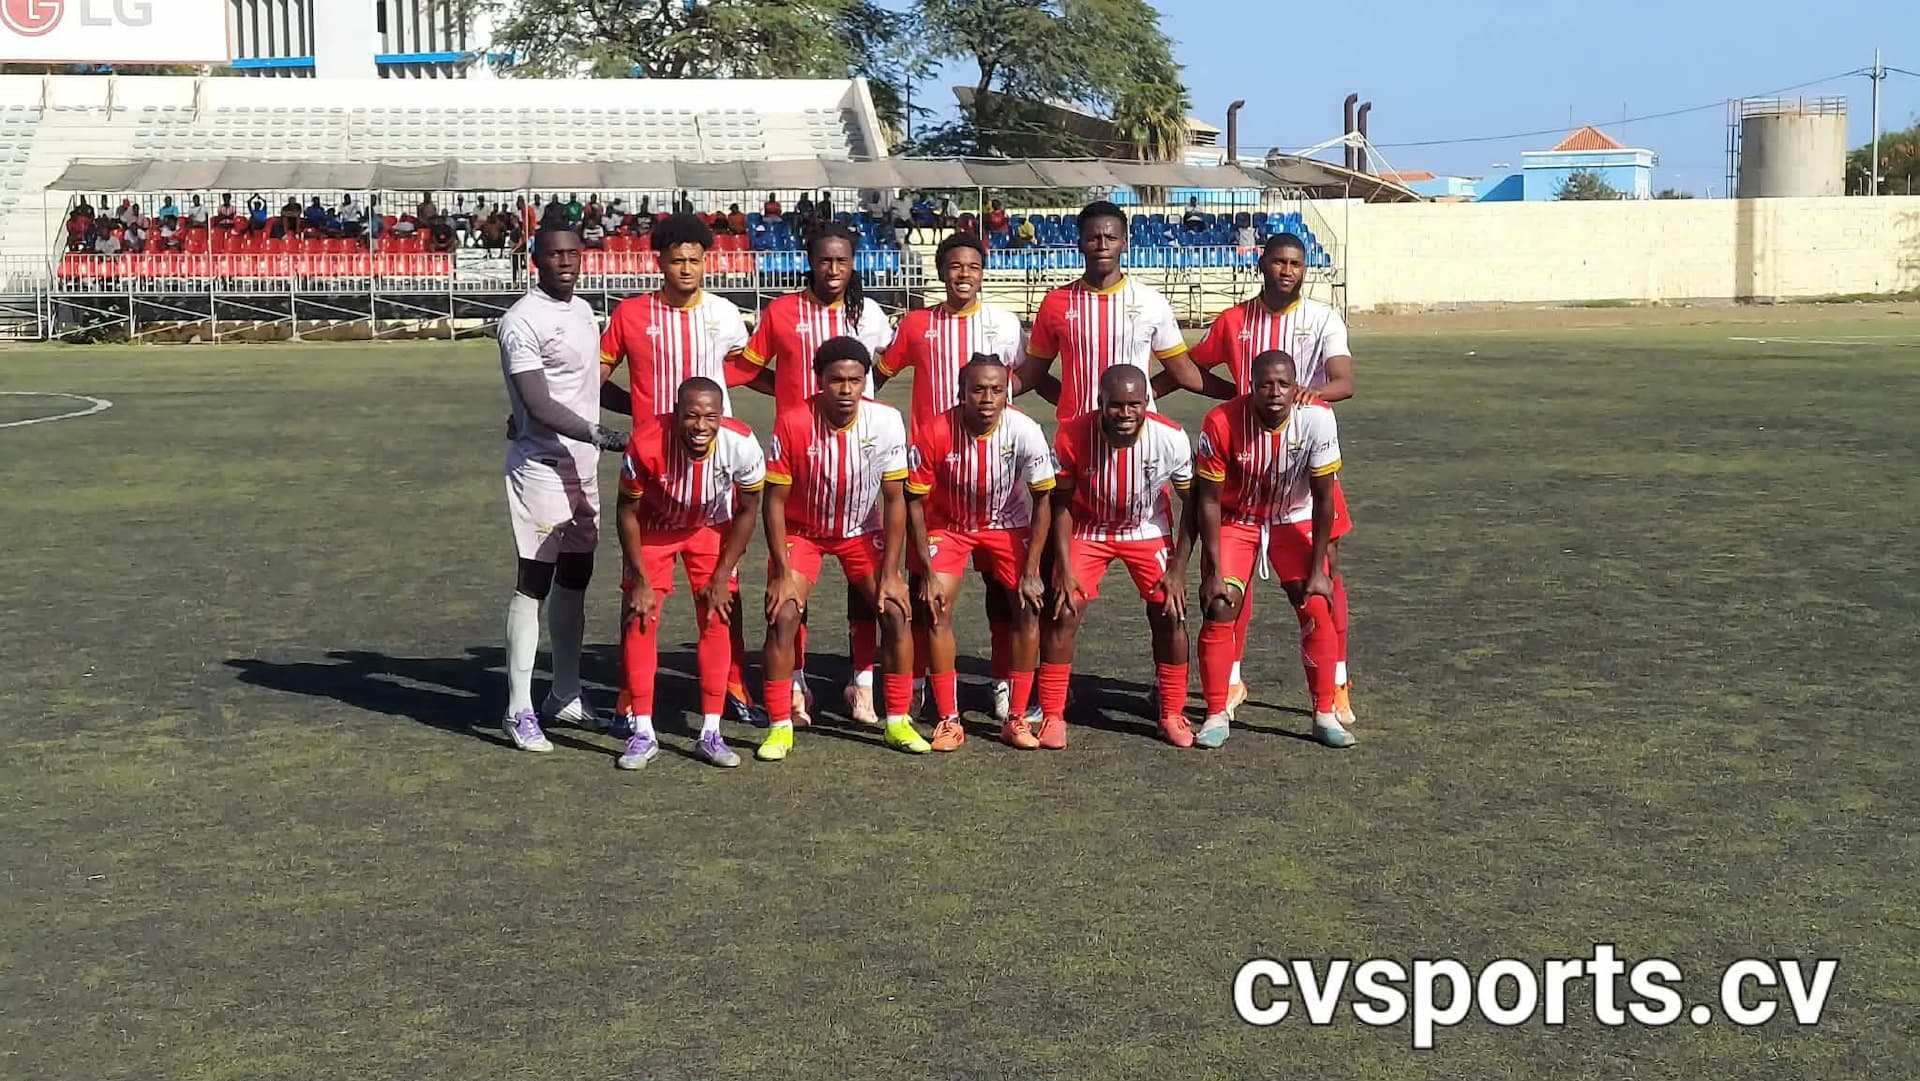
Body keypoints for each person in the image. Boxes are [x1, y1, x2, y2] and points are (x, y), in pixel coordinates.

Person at [728, 222, 895, 725]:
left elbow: (884, 366)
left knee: (862, 583)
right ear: (811, 261)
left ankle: (861, 682)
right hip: (797, 460)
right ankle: (795, 683)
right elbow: (742, 367)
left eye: (842, 261)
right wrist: (786, 395)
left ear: (853, 262)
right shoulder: (781, 310)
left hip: (856, 460)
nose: (834, 269)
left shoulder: (869, 315)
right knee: (793, 582)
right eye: (825, 260)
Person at [1188, 232, 1358, 725]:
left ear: (1305, 269)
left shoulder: (1322, 317)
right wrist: (1234, 397)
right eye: (1279, 261)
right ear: (1261, 264)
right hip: (1245, 461)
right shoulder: (1234, 320)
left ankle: (1338, 682)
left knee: (1325, 568)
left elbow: (1345, 382)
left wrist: (1309, 395)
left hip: (1304, 460)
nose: (1287, 270)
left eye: (1296, 263)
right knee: (1226, 582)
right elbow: (1192, 369)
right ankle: (1232, 679)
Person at [598, 212, 759, 723]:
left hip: (714, 470)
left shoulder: (725, 314)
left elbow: (744, 368)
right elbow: (593, 374)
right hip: (654, 470)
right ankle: (629, 700)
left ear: (705, 261)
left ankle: (734, 687)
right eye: (676, 260)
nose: (686, 268)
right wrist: (637, 409)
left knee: (722, 589)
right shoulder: (630, 315)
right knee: (638, 587)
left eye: (694, 260)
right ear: (659, 262)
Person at [874, 232, 1030, 722]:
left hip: (992, 474)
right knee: (928, 589)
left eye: (973, 266)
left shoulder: (1004, 324)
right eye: (954, 266)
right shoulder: (918, 324)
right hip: (931, 476)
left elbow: (1026, 376)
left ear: (983, 272)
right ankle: (921, 678)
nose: (964, 274)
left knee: (1003, 594)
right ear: (941, 273)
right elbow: (878, 374)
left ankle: (1004, 681)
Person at [757, 336, 928, 761]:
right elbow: (773, 502)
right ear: (819, 382)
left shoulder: (886, 421)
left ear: (866, 381)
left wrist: (891, 572)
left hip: (859, 530)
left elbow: (894, 500)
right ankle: (780, 725)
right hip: (804, 531)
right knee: (783, 614)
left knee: (895, 610)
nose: (847, 389)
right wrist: (780, 569)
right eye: (837, 380)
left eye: (855, 379)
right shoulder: (793, 420)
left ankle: (897, 721)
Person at [495, 224, 629, 753]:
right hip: (542, 466)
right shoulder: (520, 320)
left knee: (577, 575)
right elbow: (537, 402)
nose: (565, 261)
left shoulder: (581, 310)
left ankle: (565, 694)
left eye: (572, 253)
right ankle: (517, 708)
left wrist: (650, 406)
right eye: (554, 254)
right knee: (535, 578)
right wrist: (604, 434)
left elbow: (588, 386)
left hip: (582, 465)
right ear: (536, 260)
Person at [1191, 350, 1350, 748]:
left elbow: (1324, 499)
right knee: (1219, 604)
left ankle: (1324, 713)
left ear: (1295, 386)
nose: (1274, 393)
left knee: (1315, 603)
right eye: (1265, 384)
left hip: (1292, 517)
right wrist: (1211, 570)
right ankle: (1215, 712)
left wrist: (1317, 570)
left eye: (1283, 384)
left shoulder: (1316, 418)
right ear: (1251, 386)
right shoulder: (1221, 421)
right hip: (1237, 520)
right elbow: (1207, 500)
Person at [1037, 365, 1196, 750]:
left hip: (1146, 528)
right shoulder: (1073, 435)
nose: (1125, 415)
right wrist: (1063, 567)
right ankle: (1052, 714)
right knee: (1064, 607)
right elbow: (1060, 506)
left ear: (1146, 403)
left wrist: (1178, 570)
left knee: (1170, 610)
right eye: (1115, 406)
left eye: (1134, 405)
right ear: (1099, 403)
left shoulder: (1171, 437)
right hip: (1088, 528)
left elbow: (1194, 505)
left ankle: (1171, 712)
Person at [613, 378, 766, 771]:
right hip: (654, 528)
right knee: (640, 618)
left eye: (710, 417)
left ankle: (711, 731)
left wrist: (724, 573)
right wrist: (641, 580)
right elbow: (626, 512)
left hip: (710, 529)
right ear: (675, 414)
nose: (701, 426)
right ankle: (642, 730)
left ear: (721, 416)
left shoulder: (743, 443)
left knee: (718, 614)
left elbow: (749, 510)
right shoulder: (646, 443)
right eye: (692, 416)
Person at [905, 355, 1054, 751]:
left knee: (1027, 605)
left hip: (1007, 523)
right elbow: (914, 503)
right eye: (978, 389)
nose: (987, 398)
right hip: (948, 525)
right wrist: (926, 569)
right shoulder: (936, 430)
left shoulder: (1024, 429)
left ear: (1007, 391)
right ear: (962, 393)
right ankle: (949, 719)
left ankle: (1018, 717)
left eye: (997, 390)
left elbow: (1043, 500)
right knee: (936, 605)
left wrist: (1033, 569)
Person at [1011, 200, 1206, 423]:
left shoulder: (1151, 301)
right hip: (1076, 436)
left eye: (1111, 238)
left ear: (1124, 244)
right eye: (1093, 238)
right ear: (1080, 244)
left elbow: (1184, 374)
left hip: (1138, 435)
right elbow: (1033, 376)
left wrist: (1241, 394)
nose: (1102, 245)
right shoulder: (1055, 302)